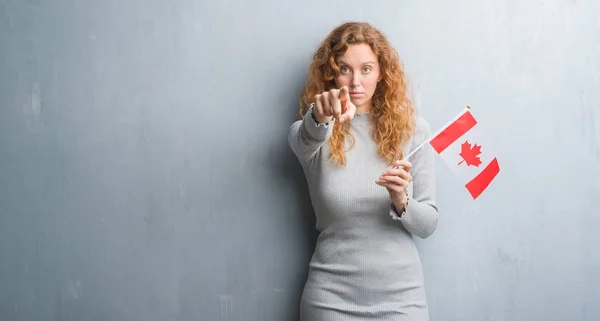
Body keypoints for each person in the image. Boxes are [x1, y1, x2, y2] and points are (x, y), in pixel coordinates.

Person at [287, 21, 439, 320]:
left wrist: (402, 201)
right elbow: (307, 135)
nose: (355, 81)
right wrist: (319, 114)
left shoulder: (414, 132)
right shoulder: (312, 132)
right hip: (330, 301)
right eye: (345, 69)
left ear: (382, 72)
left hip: (401, 301)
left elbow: (428, 225)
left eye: (366, 69)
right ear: (331, 72)